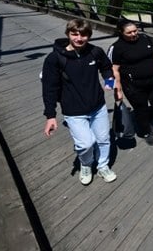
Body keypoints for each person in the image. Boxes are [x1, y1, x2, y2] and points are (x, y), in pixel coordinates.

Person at [42, 19, 117, 185]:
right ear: (68, 34)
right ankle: (86, 164)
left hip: (98, 106)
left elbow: (106, 67)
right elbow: (49, 88)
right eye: (74, 34)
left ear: (89, 36)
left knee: (104, 139)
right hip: (73, 110)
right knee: (85, 144)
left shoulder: (95, 52)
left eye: (83, 34)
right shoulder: (54, 59)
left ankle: (103, 166)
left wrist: (109, 80)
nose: (79, 38)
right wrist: (50, 115)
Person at [107, 19, 153, 146]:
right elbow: (112, 70)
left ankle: (144, 120)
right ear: (121, 32)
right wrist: (116, 89)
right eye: (129, 33)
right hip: (133, 85)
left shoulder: (145, 38)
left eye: (135, 31)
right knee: (141, 109)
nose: (134, 34)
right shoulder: (116, 48)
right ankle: (144, 132)